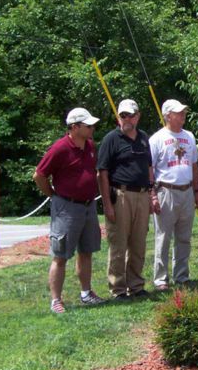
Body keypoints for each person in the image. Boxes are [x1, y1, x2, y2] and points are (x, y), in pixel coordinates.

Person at [34, 107, 105, 313]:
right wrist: (54, 196)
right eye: (88, 125)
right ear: (74, 127)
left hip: (88, 205)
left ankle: (86, 293)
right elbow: (39, 175)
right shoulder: (60, 149)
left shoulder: (90, 146)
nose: (93, 128)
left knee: (87, 251)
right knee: (61, 254)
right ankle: (56, 300)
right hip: (67, 207)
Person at [98, 99, 158, 300]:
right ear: (118, 117)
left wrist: (152, 195)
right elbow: (102, 173)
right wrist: (107, 204)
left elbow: (149, 168)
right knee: (118, 244)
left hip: (142, 195)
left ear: (137, 116)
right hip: (120, 195)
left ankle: (136, 285)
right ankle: (118, 289)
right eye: (123, 115)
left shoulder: (143, 138)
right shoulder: (111, 139)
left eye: (130, 115)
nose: (126, 119)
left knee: (138, 243)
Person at [149, 99, 198, 291]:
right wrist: (153, 195)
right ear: (168, 115)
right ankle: (161, 278)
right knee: (163, 236)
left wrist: (196, 191)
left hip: (186, 190)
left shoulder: (189, 136)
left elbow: (194, 165)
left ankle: (181, 275)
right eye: (178, 113)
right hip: (166, 190)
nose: (182, 116)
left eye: (183, 113)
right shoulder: (157, 139)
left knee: (184, 236)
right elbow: (150, 169)